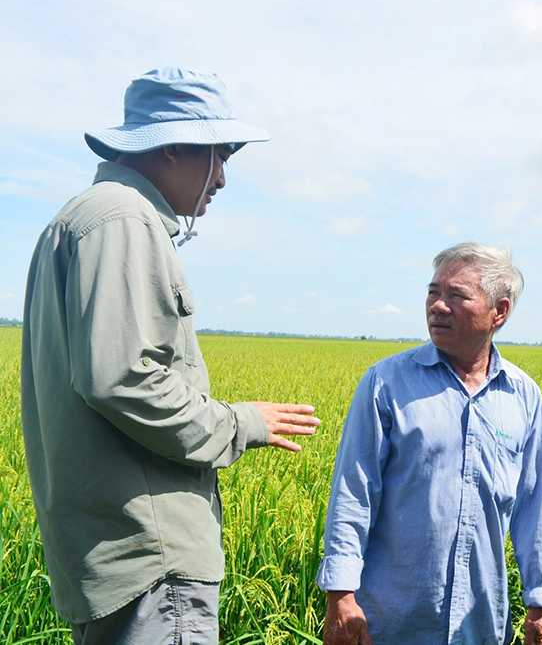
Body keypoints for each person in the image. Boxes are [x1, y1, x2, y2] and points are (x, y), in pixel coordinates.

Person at [20, 68, 321, 645]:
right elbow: (123, 377)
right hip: (151, 557)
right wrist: (239, 423)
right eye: (221, 153)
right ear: (176, 145)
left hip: (116, 551)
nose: (224, 178)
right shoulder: (123, 219)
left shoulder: (80, 219)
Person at [318, 242, 542, 645]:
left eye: (456, 295)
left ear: (499, 311)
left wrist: (539, 601)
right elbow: (353, 493)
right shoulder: (386, 383)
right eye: (433, 292)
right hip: (391, 619)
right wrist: (340, 593)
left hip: (480, 621)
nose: (437, 306)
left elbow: (533, 504)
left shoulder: (523, 396)